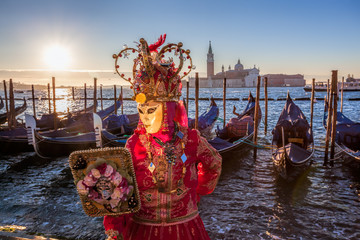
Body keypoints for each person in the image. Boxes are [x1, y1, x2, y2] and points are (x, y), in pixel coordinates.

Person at [103, 35, 222, 240]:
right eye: (141, 112)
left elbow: (214, 164)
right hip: (143, 229)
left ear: (167, 110)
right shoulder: (134, 144)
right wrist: (113, 230)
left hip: (185, 228)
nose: (145, 119)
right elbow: (118, 188)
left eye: (151, 111)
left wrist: (195, 190)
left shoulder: (191, 140)